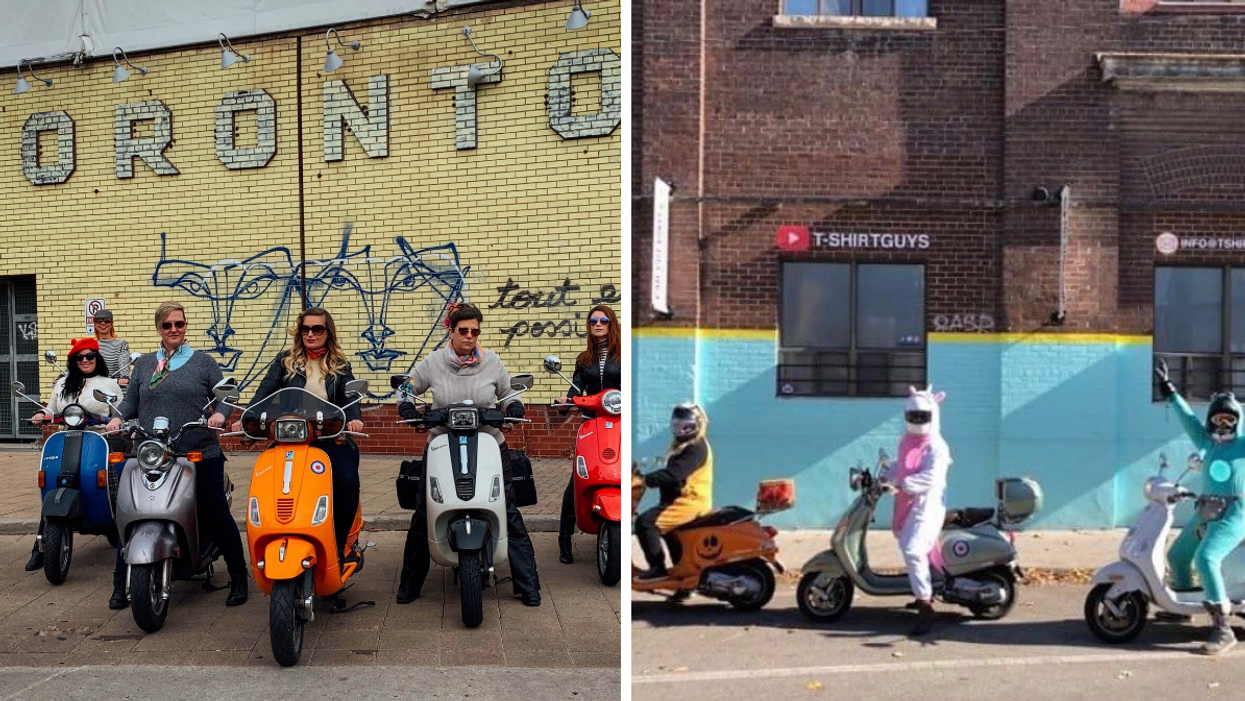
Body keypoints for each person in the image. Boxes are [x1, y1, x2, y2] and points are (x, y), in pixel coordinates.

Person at [394, 302, 542, 606]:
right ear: (451, 331)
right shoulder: (433, 362)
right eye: (463, 330)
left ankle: (528, 585)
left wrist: (514, 406)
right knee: (424, 510)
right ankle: (409, 585)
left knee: (507, 508)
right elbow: (407, 387)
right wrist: (407, 405)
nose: (470, 336)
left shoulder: (492, 362)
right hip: (441, 443)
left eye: (475, 331)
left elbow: (509, 392)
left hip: (489, 443)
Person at [105, 301, 248, 609]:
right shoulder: (145, 363)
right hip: (151, 451)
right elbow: (131, 402)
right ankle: (120, 582)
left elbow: (226, 396)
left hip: (196, 449)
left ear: (185, 327)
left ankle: (239, 576)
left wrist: (220, 414)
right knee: (131, 511)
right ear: (159, 328)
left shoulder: (203, 362)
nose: (174, 329)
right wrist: (117, 417)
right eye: (167, 325)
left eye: (179, 324)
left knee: (215, 512)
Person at [231, 307, 365, 567]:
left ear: (328, 332)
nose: (310, 334)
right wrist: (246, 417)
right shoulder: (285, 361)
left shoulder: (339, 364)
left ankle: (339, 546)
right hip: (290, 437)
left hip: (329, 436)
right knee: (269, 481)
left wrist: (354, 418)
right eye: (305, 329)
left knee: (346, 480)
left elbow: (350, 397)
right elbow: (264, 392)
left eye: (317, 329)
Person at [1157, 362, 1245, 655]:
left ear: (1237, 420)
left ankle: (1223, 628)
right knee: (1177, 556)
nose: (1224, 424)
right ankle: (1183, 608)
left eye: (1229, 418)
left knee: (1206, 558)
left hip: (1235, 513)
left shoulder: (1243, 444)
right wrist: (1170, 391)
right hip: (1207, 510)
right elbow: (1188, 420)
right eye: (1218, 418)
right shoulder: (1207, 442)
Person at [23, 338, 123, 572]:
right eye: (80, 357)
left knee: (108, 481)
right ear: (73, 360)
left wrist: (116, 421)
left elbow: (120, 412)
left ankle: (121, 529)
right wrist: (40, 415)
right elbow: (51, 409)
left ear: (97, 358)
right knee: (53, 484)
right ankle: (40, 547)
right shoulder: (63, 383)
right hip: (67, 439)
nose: (85, 360)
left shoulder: (109, 384)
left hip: (99, 439)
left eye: (90, 356)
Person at [881, 385, 951, 637]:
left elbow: (930, 477)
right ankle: (923, 591)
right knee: (908, 545)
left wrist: (901, 484)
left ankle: (925, 606)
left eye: (923, 416)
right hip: (909, 502)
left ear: (933, 415)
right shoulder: (907, 441)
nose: (918, 420)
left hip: (927, 505)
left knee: (912, 549)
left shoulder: (937, 446)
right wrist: (885, 475)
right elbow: (902, 465)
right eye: (914, 416)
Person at [555, 305, 622, 564]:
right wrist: (566, 401)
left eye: (603, 320)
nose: (598, 324)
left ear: (611, 323)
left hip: (621, 423)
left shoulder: (624, 355)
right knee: (578, 480)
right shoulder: (584, 359)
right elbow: (576, 389)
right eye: (593, 321)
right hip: (591, 424)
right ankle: (564, 539)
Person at [633, 404, 713, 581]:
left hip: (688, 502)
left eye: (686, 425)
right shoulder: (684, 446)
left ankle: (657, 569)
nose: (680, 429)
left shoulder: (695, 448)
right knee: (671, 533)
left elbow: (675, 474)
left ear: (697, 424)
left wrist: (646, 480)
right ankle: (683, 578)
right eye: (677, 425)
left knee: (645, 523)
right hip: (680, 501)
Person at [92, 309, 132, 390]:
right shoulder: (90, 344)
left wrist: (124, 376)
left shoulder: (121, 343)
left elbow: (123, 361)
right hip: (95, 387)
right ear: (95, 324)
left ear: (111, 324)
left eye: (107, 321)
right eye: (99, 321)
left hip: (116, 386)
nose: (103, 323)